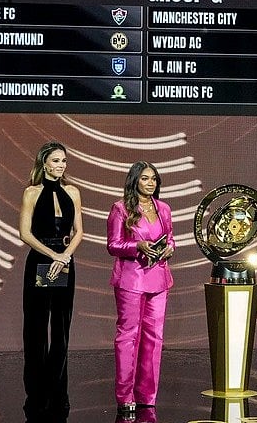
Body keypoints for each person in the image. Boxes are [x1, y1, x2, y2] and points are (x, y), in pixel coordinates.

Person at [19, 141, 84, 420]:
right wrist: (53, 256)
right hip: (41, 260)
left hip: (65, 263)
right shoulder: (31, 193)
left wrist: (65, 256)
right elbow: (25, 233)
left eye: (64, 161)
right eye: (56, 161)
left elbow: (79, 231)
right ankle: (37, 394)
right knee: (35, 328)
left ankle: (59, 393)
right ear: (44, 163)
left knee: (60, 328)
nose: (61, 166)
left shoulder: (73, 192)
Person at [107, 161, 175, 416]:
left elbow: (170, 237)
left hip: (159, 278)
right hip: (131, 279)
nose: (150, 183)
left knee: (154, 337)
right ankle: (125, 395)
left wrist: (170, 247)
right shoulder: (120, 209)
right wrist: (137, 246)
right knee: (128, 336)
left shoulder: (164, 209)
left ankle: (147, 394)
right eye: (145, 178)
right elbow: (113, 244)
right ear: (134, 180)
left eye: (154, 179)